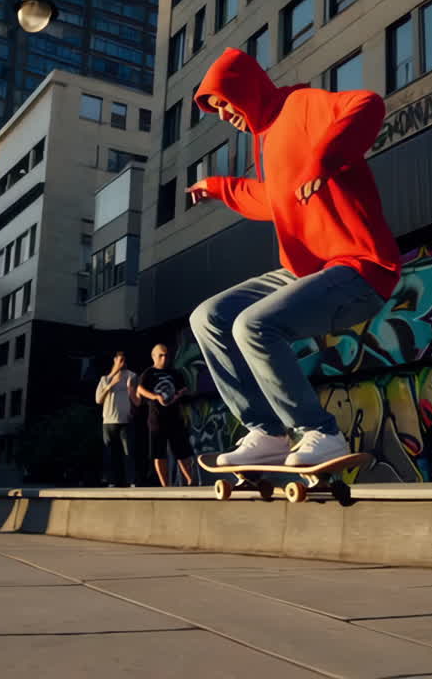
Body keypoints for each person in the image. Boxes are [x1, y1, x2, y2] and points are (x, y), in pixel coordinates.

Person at [186, 48, 401, 468]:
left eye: (226, 104)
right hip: (306, 271)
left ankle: (321, 432)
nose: (225, 116)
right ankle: (268, 432)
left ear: (245, 90)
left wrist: (324, 158)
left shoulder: (300, 105)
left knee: (253, 324)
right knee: (208, 317)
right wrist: (218, 187)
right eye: (217, 111)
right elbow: (272, 199)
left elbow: (368, 104)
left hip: (360, 269)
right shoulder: (266, 140)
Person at [137, 344, 194, 486]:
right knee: (159, 453)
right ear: (153, 356)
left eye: (166, 355)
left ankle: (191, 480)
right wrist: (156, 397)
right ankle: (165, 485)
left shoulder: (175, 373)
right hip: (156, 419)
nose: (164, 358)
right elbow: (140, 389)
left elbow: (184, 389)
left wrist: (178, 395)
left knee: (182, 451)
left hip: (175, 418)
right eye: (160, 355)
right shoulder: (149, 373)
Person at [95, 350, 139, 487]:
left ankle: (131, 480)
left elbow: (136, 399)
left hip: (125, 420)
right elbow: (98, 400)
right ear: (115, 360)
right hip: (109, 421)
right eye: (120, 360)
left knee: (128, 452)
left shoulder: (131, 376)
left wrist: (131, 390)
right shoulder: (105, 379)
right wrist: (110, 384)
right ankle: (112, 481)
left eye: (124, 361)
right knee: (110, 453)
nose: (122, 363)